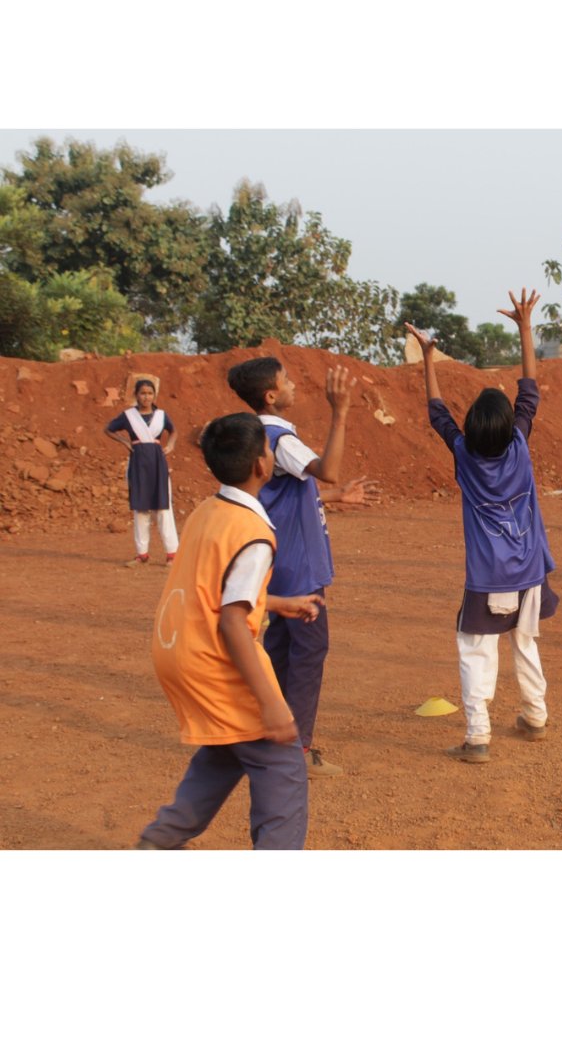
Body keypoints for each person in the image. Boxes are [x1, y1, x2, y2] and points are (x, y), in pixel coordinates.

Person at [136, 413, 324, 850]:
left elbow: (214, 589)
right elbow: (232, 622)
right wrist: (272, 707)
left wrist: (274, 603)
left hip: (177, 651)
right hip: (212, 657)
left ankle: (157, 843)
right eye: (268, 448)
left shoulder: (209, 510)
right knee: (282, 767)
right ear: (262, 465)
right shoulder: (253, 533)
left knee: (225, 751)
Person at [406, 289, 557, 765]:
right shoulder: (520, 444)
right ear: (511, 424)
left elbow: (436, 412)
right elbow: (529, 387)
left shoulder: (464, 455)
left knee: (476, 649)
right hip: (530, 568)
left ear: (469, 428)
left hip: (489, 576)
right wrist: (525, 327)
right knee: (525, 642)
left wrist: (428, 357)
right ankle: (535, 716)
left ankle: (478, 735)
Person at [227, 357, 375, 778]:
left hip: (279, 563)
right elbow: (326, 470)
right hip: (299, 567)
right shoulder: (282, 438)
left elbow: (283, 494)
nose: (294, 384)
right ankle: (298, 748)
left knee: (279, 649)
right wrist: (340, 411)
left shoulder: (259, 436)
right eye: (287, 379)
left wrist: (332, 499)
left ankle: (264, 730)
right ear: (271, 395)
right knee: (309, 651)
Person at [104, 378, 179, 567]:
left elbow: (173, 430)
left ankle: (172, 554)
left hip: (157, 463)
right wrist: (124, 442)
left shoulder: (161, 415)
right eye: (143, 393)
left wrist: (170, 445)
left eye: (150, 393)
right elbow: (109, 429)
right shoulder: (128, 415)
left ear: (154, 396)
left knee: (163, 507)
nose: (146, 397)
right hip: (138, 463)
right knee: (141, 508)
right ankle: (142, 554)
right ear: (136, 395)